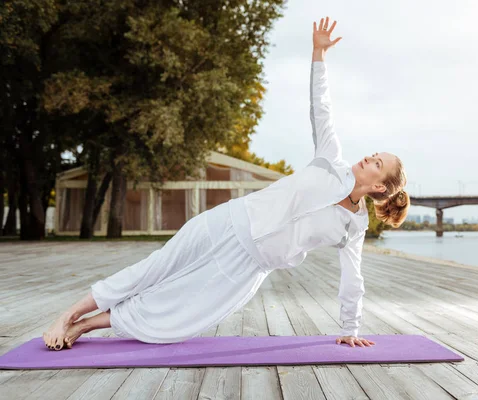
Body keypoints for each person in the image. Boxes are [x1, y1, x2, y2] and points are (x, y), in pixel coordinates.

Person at [43, 16, 410, 351]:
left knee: (181, 310)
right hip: (231, 222)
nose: (368, 158)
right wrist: (318, 53)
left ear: (380, 187)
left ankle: (85, 326)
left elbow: (352, 278)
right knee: (157, 269)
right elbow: (321, 106)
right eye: (374, 154)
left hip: (250, 265)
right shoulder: (332, 160)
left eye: (377, 163)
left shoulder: (354, 226)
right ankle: (68, 314)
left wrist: (351, 327)